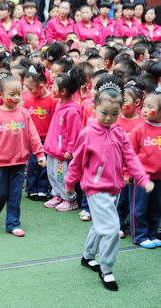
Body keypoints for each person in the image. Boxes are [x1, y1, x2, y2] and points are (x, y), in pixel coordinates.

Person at [65, 75, 154, 292]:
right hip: (95, 190)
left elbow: (131, 157)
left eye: (115, 114)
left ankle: (87, 256)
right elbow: (77, 161)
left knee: (100, 225)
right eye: (104, 113)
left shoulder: (119, 132)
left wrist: (142, 178)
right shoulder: (87, 133)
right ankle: (107, 269)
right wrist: (69, 183)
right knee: (112, 228)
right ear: (95, 107)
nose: (109, 118)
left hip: (114, 188)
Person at [0, 74, 46, 237]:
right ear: (0, 95)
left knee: (15, 195)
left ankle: (13, 223)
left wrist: (40, 154)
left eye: (19, 94)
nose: (16, 98)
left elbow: (33, 135)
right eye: (11, 94)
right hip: (0, 163)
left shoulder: (24, 113)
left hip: (20, 162)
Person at [43, 65, 85, 212]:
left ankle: (70, 199)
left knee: (62, 176)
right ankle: (57, 195)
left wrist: (70, 149)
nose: (50, 88)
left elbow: (75, 132)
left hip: (63, 152)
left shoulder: (73, 110)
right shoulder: (59, 105)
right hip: (53, 149)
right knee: (52, 174)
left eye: (53, 86)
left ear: (63, 91)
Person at [128, 87, 161, 249]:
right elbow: (130, 153)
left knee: (156, 207)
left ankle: (152, 234)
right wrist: (127, 173)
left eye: (151, 107)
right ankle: (140, 235)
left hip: (159, 178)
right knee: (139, 207)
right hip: (142, 177)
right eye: (145, 106)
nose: (146, 110)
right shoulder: (140, 129)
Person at [22, 64, 58, 201]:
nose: (28, 91)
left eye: (31, 88)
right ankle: (31, 189)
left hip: (47, 139)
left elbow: (55, 121)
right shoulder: (26, 98)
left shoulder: (53, 100)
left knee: (45, 165)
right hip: (32, 139)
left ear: (42, 86)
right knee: (32, 164)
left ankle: (42, 189)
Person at [115, 80, 144, 238]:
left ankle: (127, 223)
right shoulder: (115, 119)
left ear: (137, 103)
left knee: (130, 199)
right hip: (116, 167)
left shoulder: (142, 122)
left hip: (133, 169)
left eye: (124, 101)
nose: (119, 103)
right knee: (118, 198)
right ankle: (117, 223)